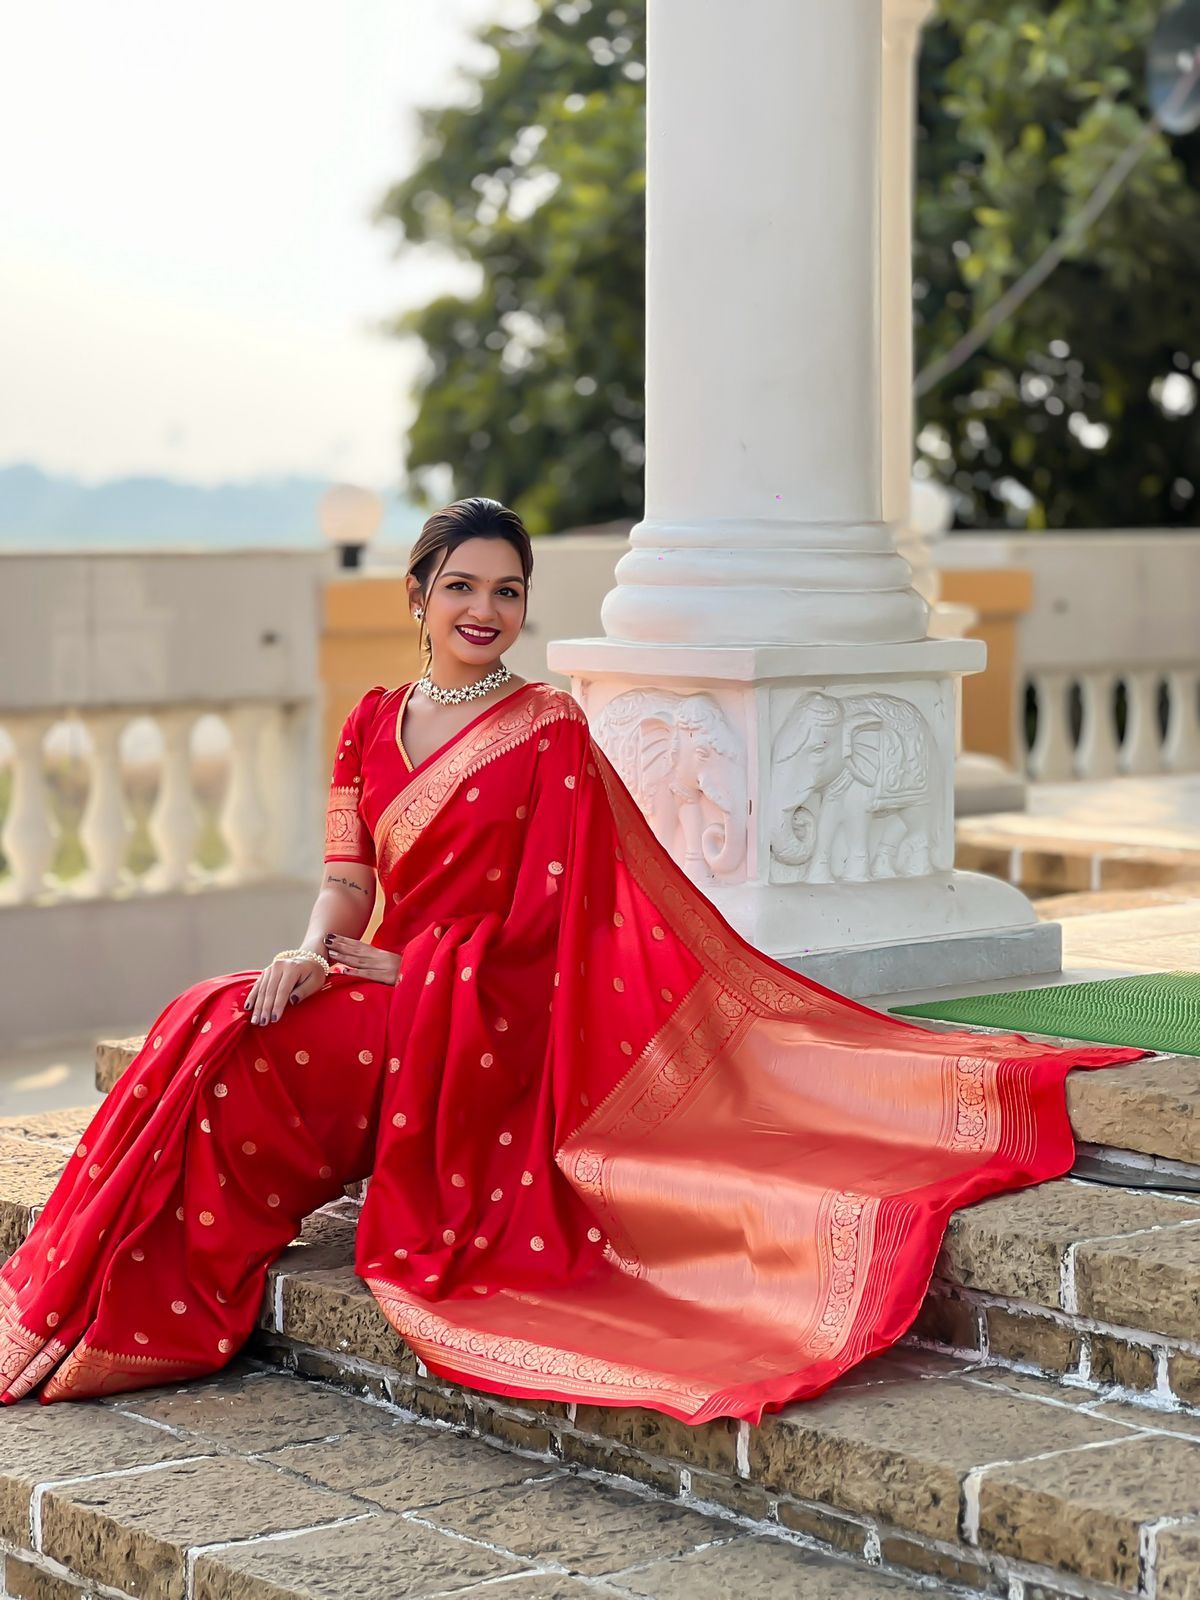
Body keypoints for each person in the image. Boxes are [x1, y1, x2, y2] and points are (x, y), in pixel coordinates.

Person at [0, 497, 1142, 1421]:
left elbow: (556, 931)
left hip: (471, 1016)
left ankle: (142, 1313)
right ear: (418, 595)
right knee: (212, 1015)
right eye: (462, 586)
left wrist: (412, 974)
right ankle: (98, 1299)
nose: (485, 609)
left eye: (508, 590)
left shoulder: (548, 727)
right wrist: (309, 952)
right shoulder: (370, 721)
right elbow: (349, 881)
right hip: (384, 986)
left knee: (235, 1052)